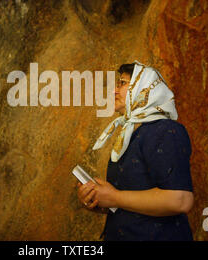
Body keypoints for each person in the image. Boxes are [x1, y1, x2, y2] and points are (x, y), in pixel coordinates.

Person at [77, 61, 194, 241]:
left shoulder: (166, 130)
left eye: (122, 83)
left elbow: (181, 200)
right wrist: (98, 199)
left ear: (144, 88)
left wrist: (115, 197)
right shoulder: (133, 134)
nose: (114, 91)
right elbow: (133, 201)